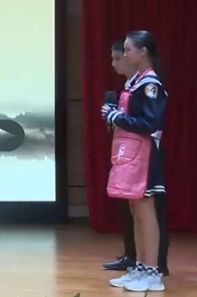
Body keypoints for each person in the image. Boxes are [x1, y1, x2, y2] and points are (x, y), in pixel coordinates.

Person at [101, 31, 169, 292]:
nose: (125, 54)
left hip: (146, 155)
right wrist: (115, 115)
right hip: (131, 154)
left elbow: (150, 123)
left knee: (145, 210)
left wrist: (116, 117)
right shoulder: (135, 82)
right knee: (135, 209)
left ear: (143, 52)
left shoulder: (150, 84)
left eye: (128, 50)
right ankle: (139, 266)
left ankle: (153, 271)